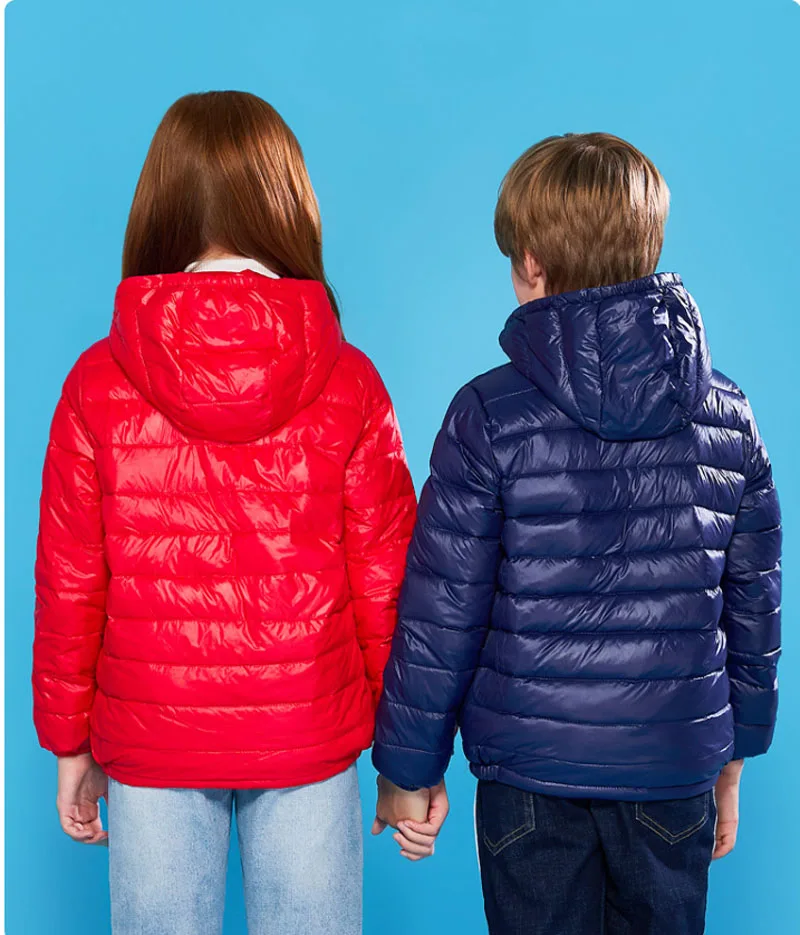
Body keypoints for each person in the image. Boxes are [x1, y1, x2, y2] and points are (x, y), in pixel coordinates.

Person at [372, 132, 781, 934]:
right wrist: (734, 757)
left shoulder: (487, 414)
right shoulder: (728, 416)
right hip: (672, 772)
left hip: (531, 780)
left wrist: (408, 769)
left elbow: (442, 611)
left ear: (530, 261)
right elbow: (754, 607)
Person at [32, 90, 418, 935]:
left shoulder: (95, 382)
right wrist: (408, 757)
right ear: (287, 204)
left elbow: (70, 583)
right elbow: (389, 584)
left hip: (150, 734)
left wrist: (70, 743)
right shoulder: (350, 380)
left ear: (160, 206)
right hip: (308, 731)